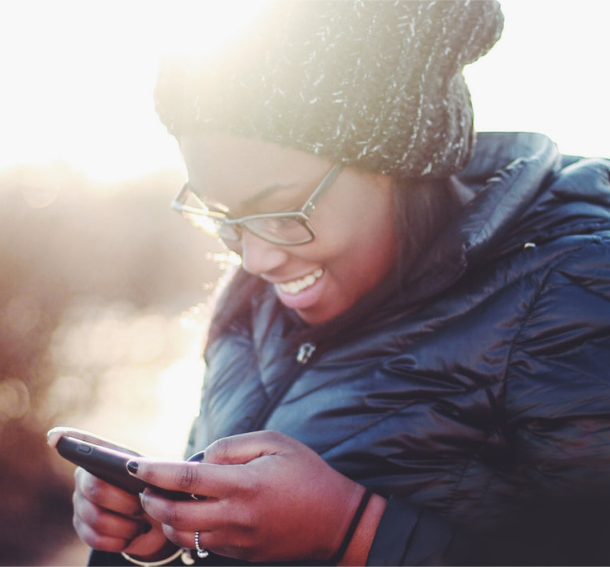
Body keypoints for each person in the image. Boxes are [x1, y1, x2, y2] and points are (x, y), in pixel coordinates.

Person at [71, 1, 610, 565]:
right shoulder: (254, 303)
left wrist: (356, 531)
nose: (254, 258)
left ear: (401, 161)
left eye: (281, 211)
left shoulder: (570, 291)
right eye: (224, 217)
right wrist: (161, 534)